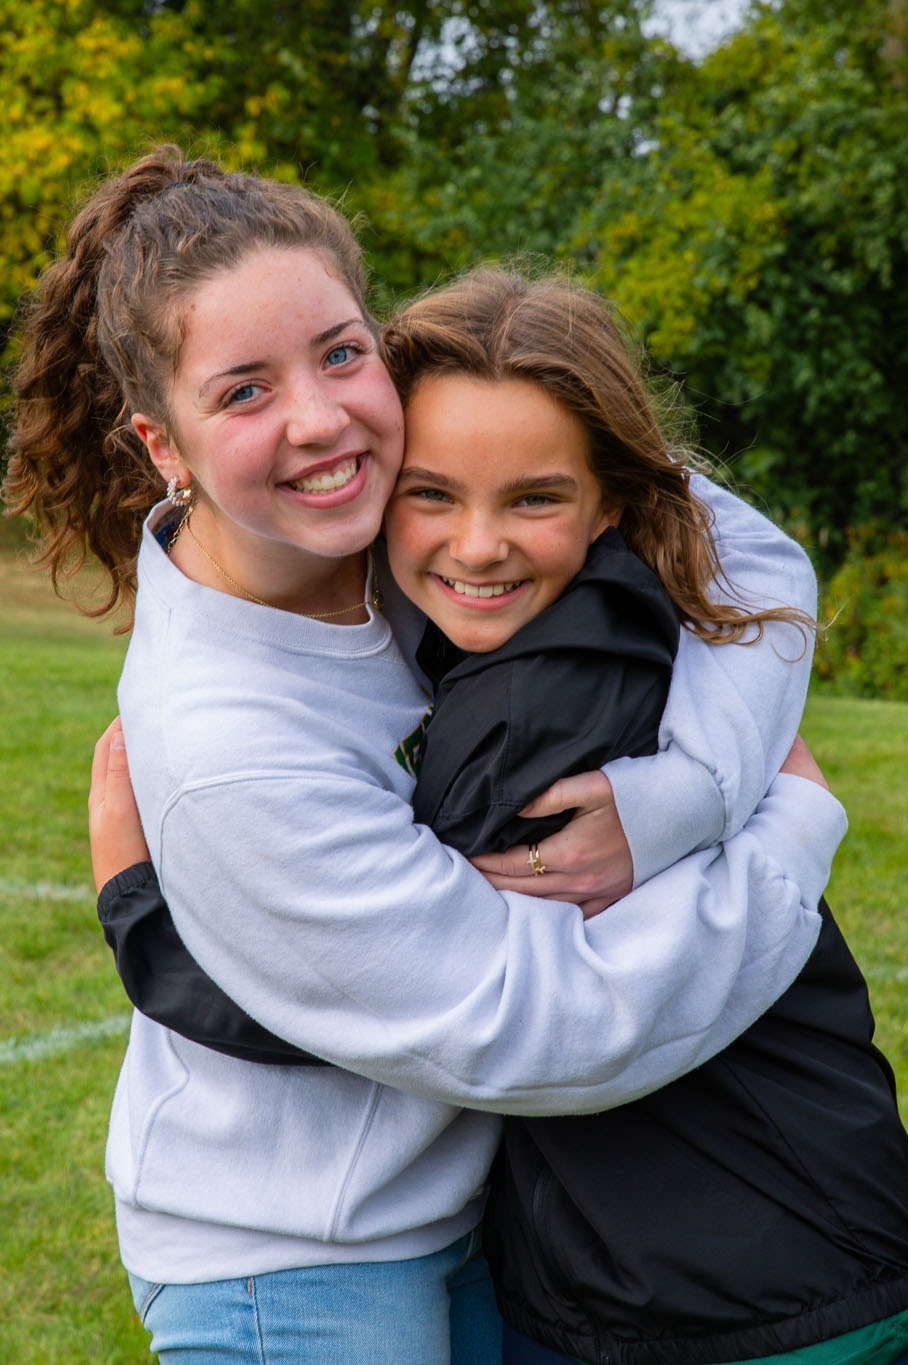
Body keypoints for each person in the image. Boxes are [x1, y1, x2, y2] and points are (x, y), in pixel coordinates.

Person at [6, 146, 845, 1364]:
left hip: (461, 1211)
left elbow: (742, 553)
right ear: (162, 443)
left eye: (342, 354)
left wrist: (683, 796)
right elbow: (549, 1029)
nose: (319, 417)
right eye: (243, 391)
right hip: (296, 1266)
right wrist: (787, 829)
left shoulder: (411, 519)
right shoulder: (232, 739)